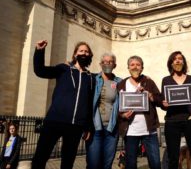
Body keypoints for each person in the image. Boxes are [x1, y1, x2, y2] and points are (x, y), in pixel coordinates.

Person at [31, 40, 94, 169]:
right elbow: (40, 71)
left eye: (86, 52)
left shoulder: (90, 77)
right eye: (81, 51)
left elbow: (89, 103)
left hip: (76, 126)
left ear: (90, 55)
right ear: (75, 54)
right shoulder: (63, 69)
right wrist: (39, 51)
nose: (84, 53)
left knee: (68, 163)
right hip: (54, 121)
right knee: (40, 158)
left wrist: (88, 126)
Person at [161, 51, 191, 169]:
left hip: (190, 120)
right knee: (173, 158)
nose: (178, 61)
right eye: (174, 59)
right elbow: (163, 102)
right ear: (171, 63)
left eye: (180, 58)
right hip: (172, 121)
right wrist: (164, 104)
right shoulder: (166, 80)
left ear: (184, 62)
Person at [118, 55, 163, 169]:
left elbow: (160, 100)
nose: (135, 67)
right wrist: (123, 115)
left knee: (156, 164)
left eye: (138, 65)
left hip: (149, 130)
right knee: (131, 164)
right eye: (132, 65)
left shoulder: (149, 82)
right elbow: (116, 106)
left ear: (142, 68)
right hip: (130, 131)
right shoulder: (122, 84)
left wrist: (151, 96)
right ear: (128, 67)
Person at [86, 53, 122, 169]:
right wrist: (70, 65)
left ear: (115, 65)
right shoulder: (92, 79)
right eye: (105, 61)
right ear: (101, 64)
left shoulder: (119, 82)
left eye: (110, 62)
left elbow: (132, 92)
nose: (107, 63)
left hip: (112, 128)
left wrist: (145, 80)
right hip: (95, 128)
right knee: (93, 164)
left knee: (107, 165)